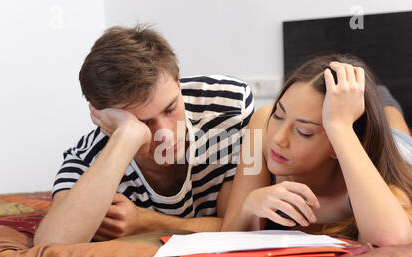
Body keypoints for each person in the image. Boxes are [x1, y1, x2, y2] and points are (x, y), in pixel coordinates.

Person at [33, 25, 254, 245]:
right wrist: (127, 136)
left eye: (170, 109)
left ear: (178, 84)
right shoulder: (89, 158)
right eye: (142, 122)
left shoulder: (228, 105)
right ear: (104, 118)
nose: (165, 134)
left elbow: (239, 227)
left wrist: (144, 222)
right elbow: (51, 246)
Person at [221, 54, 412, 247]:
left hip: (405, 151)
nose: (277, 138)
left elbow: (391, 237)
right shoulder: (262, 125)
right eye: (279, 115)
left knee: (394, 131)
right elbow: (229, 232)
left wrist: (339, 126)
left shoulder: (382, 179)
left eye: (304, 132)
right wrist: (250, 205)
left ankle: (382, 99)